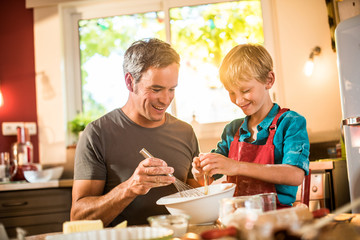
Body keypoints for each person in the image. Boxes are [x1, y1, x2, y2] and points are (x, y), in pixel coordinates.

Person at [71, 38, 200, 226]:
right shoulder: (98, 134)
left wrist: (208, 180)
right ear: (130, 82)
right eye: (156, 89)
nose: (166, 99)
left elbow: (196, 197)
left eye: (172, 89)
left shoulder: (185, 132)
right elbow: (79, 219)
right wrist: (131, 187)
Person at [192, 44, 310, 207]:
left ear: (269, 80)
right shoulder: (232, 130)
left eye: (245, 90)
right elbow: (209, 177)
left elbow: (295, 175)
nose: (238, 100)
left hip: (277, 218)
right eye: (231, 92)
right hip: (238, 217)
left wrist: (236, 166)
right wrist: (201, 170)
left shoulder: (290, 122)